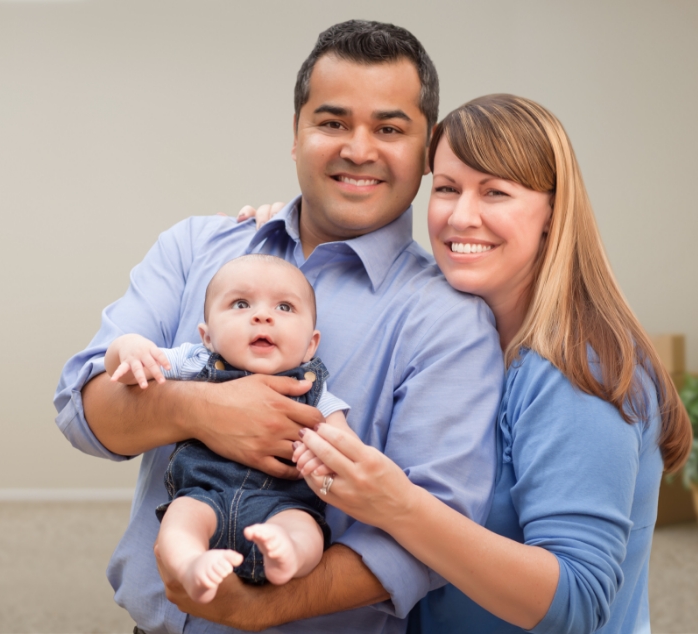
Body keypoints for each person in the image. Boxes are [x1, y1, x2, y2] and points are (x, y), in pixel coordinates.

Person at [53, 20, 504, 634]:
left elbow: (433, 534)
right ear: (296, 135)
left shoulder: (449, 320)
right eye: (333, 122)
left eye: (390, 128)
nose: (359, 148)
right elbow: (82, 410)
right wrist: (201, 410)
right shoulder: (196, 247)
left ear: (427, 153)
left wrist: (261, 607)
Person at [289, 94, 693, 634]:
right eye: (448, 188)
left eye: (496, 192)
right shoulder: (461, 339)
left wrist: (398, 506)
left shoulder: (576, 368)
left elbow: (576, 602)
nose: (461, 216)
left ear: (553, 212)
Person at [104, 255, 352, 600]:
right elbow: (129, 371)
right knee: (180, 521)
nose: (262, 316)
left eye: (284, 307)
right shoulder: (195, 361)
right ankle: (191, 565)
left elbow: (344, 446)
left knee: (305, 530)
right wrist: (127, 349)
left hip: (284, 503)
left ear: (311, 344)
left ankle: (287, 557)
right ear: (207, 336)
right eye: (240, 303)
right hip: (204, 494)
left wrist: (332, 457)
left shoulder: (314, 388)